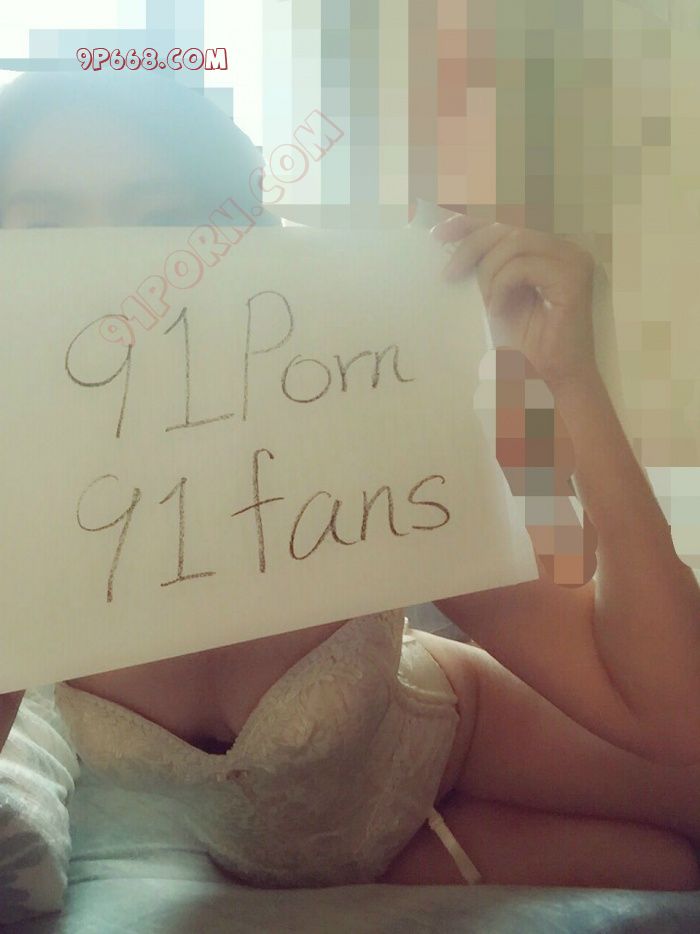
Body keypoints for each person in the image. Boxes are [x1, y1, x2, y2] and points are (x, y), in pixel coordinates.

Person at [1, 70, 699, 892]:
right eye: (44, 224)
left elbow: (672, 711)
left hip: (457, 730)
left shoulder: (351, 416)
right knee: (665, 871)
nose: (116, 275)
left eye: (157, 219)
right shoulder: (26, 499)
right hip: (339, 854)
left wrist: (572, 378)